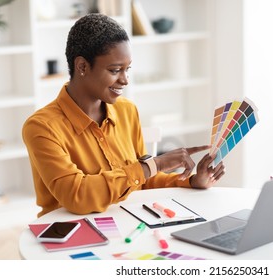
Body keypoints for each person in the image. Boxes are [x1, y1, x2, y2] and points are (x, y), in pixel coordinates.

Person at [22, 13, 225, 218]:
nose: (125, 80)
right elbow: (77, 195)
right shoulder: (42, 127)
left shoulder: (126, 111)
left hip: (126, 223)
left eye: (127, 69)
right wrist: (156, 164)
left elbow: (141, 179)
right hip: (70, 235)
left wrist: (191, 181)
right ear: (82, 66)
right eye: (115, 70)